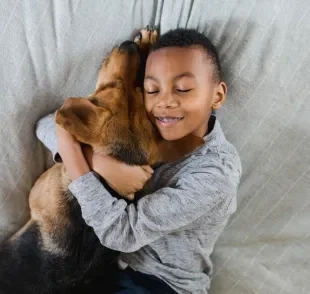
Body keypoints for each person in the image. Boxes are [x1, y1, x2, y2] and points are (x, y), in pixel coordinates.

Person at [36, 28, 242, 294]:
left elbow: (123, 232)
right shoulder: (144, 125)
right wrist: (98, 162)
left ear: (217, 96)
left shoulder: (217, 172)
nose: (165, 101)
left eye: (183, 88)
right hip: (105, 268)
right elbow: (46, 125)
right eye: (152, 90)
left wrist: (77, 162)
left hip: (163, 283)